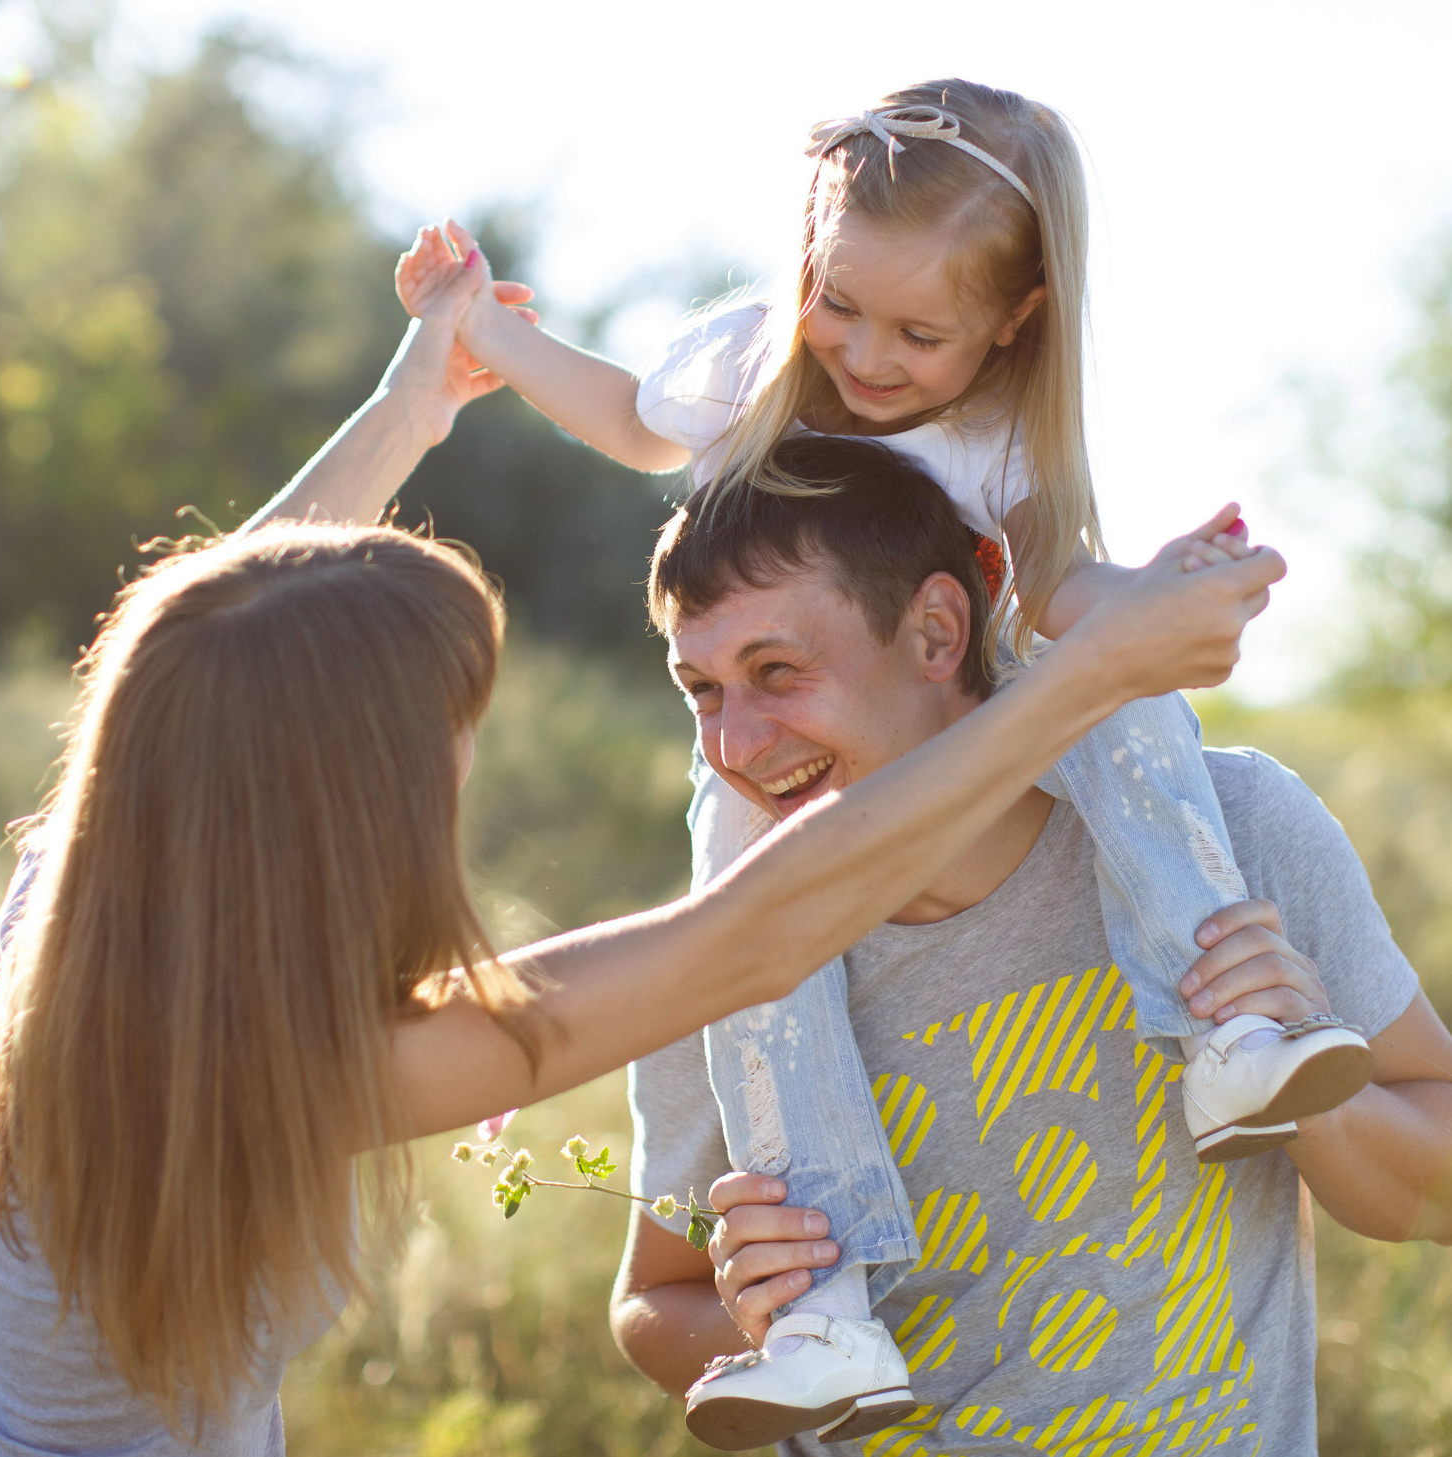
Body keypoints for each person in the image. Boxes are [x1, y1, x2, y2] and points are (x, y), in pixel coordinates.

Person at [0, 216, 1279, 1454]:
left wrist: (414, 402)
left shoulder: (78, 906)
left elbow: (199, 657)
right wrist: (1088, 672)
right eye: (456, 729)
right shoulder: (271, 1056)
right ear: (353, 801)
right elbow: (752, 933)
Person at [395, 76, 1369, 1433]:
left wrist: (1164, 595)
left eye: (919, 330)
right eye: (838, 303)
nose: (863, 353)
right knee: (755, 960)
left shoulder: (993, 442)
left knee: (1134, 711)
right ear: (804, 263)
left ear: (1009, 322)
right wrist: (483, 333)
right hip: (774, 812)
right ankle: (820, 1311)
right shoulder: (751, 364)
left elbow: (1062, 603)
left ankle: (1231, 1017)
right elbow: (627, 421)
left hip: (1006, 718)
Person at [612, 442, 1452, 1456]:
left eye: (778, 671)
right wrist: (747, 1315)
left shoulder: (1229, 833)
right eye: (701, 689)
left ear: (935, 629)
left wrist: (1318, 1090)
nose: (734, 745)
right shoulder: (716, 955)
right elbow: (653, 1298)